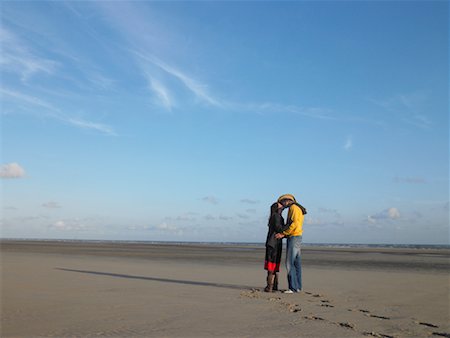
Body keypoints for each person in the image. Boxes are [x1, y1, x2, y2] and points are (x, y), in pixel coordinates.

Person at [275, 194, 305, 293]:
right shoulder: (297, 208)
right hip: (297, 236)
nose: (282, 205)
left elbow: (294, 224)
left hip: (294, 237)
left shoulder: (293, 208)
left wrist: (283, 234)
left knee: (289, 263)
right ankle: (298, 287)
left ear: (287, 201)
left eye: (282, 202)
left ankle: (292, 287)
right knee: (297, 264)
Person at [264, 202, 286, 292]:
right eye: (280, 205)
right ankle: (270, 286)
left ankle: (273, 285)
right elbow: (279, 228)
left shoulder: (277, 216)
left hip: (274, 243)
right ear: (276, 207)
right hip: (273, 244)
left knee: (274, 264)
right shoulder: (276, 216)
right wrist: (288, 227)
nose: (282, 205)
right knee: (272, 265)